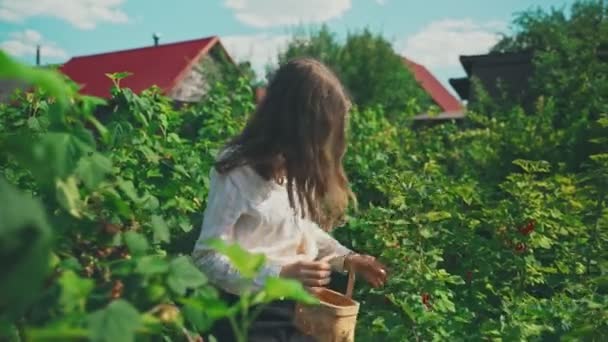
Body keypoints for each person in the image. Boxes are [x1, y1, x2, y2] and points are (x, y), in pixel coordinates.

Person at [192, 58, 388, 342]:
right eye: (319, 134)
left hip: (299, 309)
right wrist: (280, 273)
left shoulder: (295, 168)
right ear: (295, 125)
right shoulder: (237, 170)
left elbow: (302, 232)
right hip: (248, 318)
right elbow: (207, 257)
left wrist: (347, 259)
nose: (322, 146)